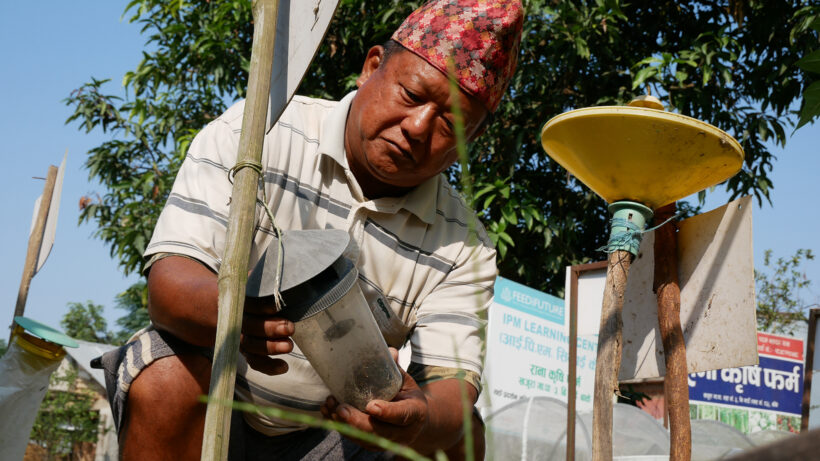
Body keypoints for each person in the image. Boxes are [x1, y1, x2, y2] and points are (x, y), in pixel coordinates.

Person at [96, 1, 523, 459]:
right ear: (372, 66)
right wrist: (236, 313)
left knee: (463, 440)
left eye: (450, 123)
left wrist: (417, 415)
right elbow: (169, 286)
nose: (418, 128)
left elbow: (451, 391)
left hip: (336, 439)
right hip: (216, 407)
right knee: (166, 376)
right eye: (412, 96)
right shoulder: (260, 133)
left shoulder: (465, 246)